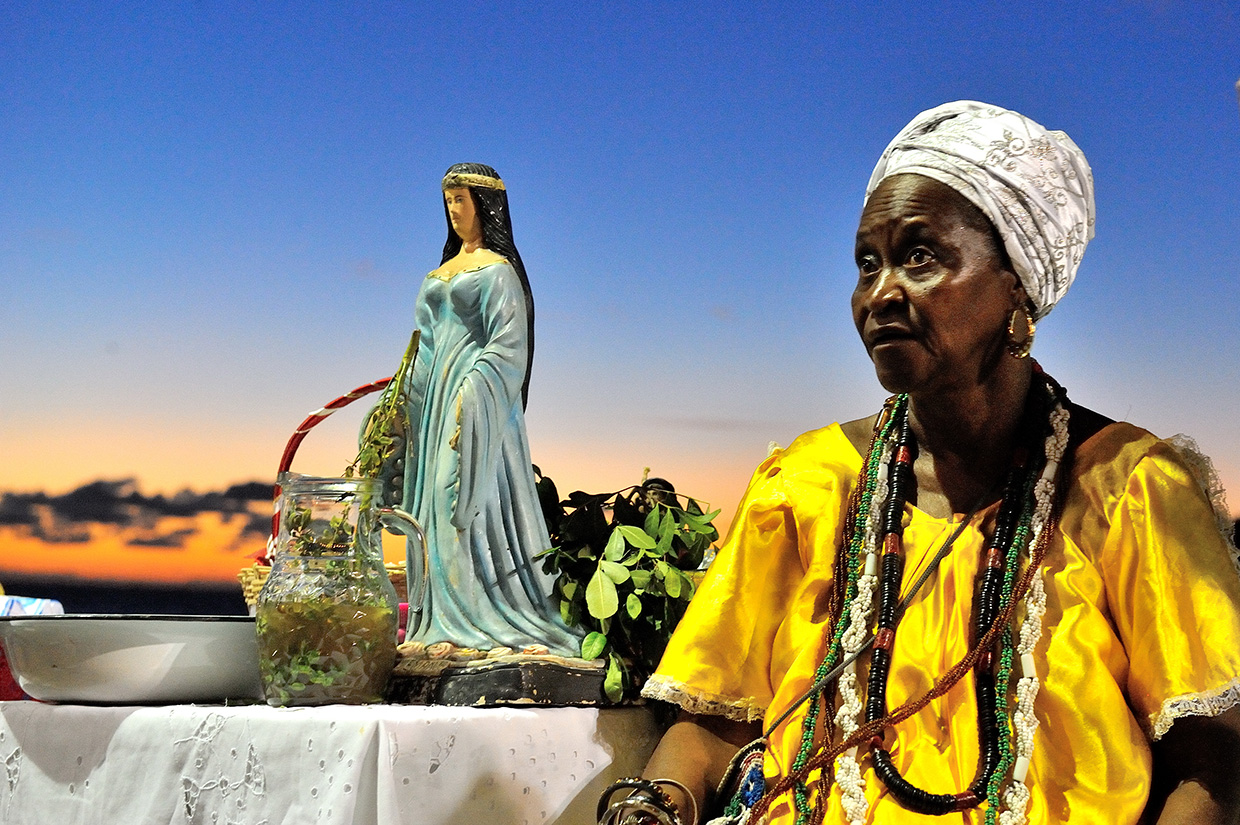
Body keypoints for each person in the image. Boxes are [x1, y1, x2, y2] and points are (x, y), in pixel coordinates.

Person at [604, 103, 1240, 825]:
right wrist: (655, 804)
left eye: (921, 256)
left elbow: (1215, 768)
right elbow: (715, 725)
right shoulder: (807, 482)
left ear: (1017, 289)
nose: (880, 293)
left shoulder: (1127, 489)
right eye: (867, 263)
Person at [391, 163, 581, 656]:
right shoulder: (439, 273)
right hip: (436, 404)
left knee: (457, 500)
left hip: (480, 405)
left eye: (461, 199)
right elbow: (424, 343)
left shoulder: (498, 271)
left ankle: (479, 618)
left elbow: (509, 344)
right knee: (430, 508)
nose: (454, 210)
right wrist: (402, 395)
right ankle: (439, 624)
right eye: (448, 200)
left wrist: (472, 393)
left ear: (484, 203)